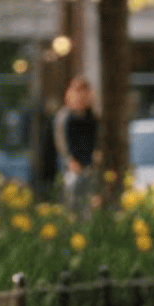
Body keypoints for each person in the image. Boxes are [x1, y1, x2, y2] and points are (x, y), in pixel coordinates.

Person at [53, 75, 99, 213]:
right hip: (71, 166)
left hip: (89, 165)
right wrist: (69, 160)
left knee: (89, 202)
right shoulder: (65, 116)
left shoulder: (91, 116)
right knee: (72, 198)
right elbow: (61, 141)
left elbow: (95, 139)